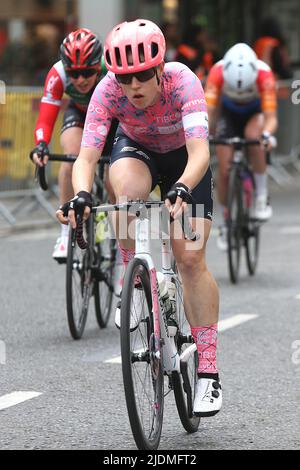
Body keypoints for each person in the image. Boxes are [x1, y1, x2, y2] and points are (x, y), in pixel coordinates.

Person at [57, 19, 222, 417]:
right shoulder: (107, 92)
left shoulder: (184, 82)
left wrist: (181, 186)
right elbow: (87, 157)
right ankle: (131, 277)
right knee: (125, 192)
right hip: (139, 151)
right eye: (124, 77)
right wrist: (80, 193)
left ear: (160, 68)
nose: (133, 87)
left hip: (186, 161)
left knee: (190, 259)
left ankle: (208, 372)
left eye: (142, 76)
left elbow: (201, 152)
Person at [30, 28, 116, 261]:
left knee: (114, 178)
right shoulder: (57, 74)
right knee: (70, 160)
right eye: (74, 73)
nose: (80, 80)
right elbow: (47, 114)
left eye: (88, 72)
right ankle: (66, 230)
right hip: (80, 115)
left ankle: (121, 249)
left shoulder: (112, 68)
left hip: (114, 119)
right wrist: (41, 145)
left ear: (98, 65)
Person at [205, 43, 278, 251]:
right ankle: (227, 220)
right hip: (228, 115)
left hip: (255, 114)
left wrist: (266, 136)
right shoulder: (217, 73)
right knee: (225, 168)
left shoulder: (264, 75)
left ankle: (261, 197)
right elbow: (209, 113)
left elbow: (271, 119)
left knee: (253, 136)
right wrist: (203, 135)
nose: (241, 93)